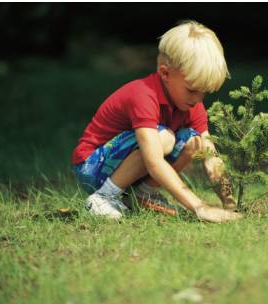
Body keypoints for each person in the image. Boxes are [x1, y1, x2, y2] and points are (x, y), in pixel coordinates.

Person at [71, 20, 242, 223]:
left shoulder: (192, 104)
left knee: (196, 142)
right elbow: (153, 161)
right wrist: (200, 207)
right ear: (165, 73)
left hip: (124, 168)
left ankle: (143, 195)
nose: (198, 99)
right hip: (92, 166)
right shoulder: (143, 95)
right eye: (192, 89)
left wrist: (230, 205)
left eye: (204, 92)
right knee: (164, 138)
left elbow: (211, 156)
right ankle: (103, 197)